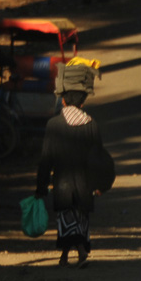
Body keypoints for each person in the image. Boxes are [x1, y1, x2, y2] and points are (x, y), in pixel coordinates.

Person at [36, 61, 113, 267]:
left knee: (65, 219)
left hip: (61, 185)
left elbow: (46, 159)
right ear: (83, 101)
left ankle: (67, 254)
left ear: (62, 100)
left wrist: (41, 187)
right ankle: (79, 249)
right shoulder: (91, 124)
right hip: (85, 185)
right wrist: (101, 185)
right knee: (81, 218)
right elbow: (99, 157)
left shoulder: (54, 125)